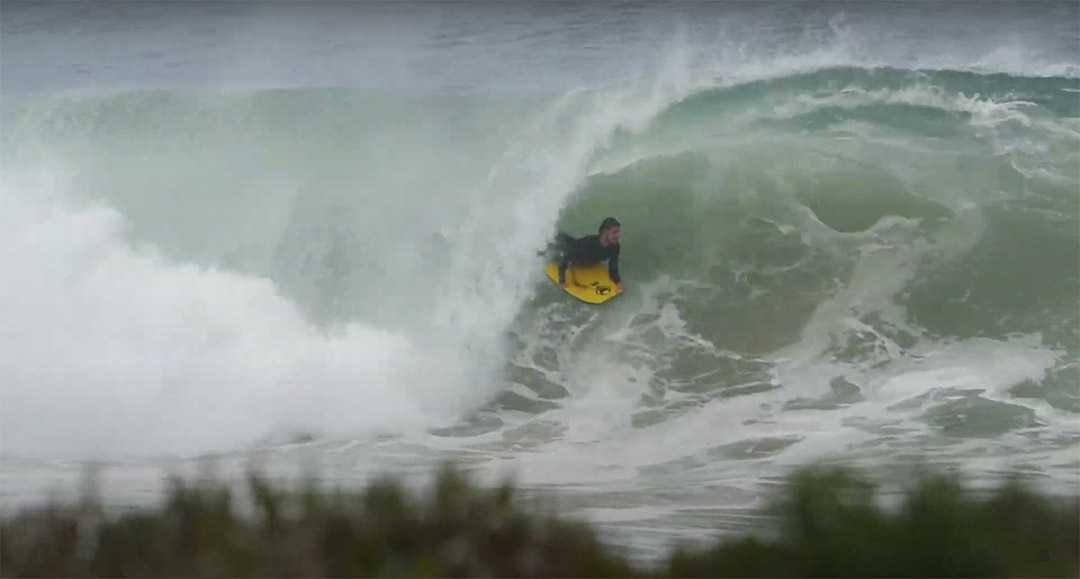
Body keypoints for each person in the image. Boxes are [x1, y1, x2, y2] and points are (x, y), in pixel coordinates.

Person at [555, 217, 623, 293]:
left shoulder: (614, 247)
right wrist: (562, 280)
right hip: (568, 250)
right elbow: (565, 257)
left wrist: (617, 282)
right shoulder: (588, 243)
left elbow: (613, 266)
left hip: (581, 257)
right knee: (552, 249)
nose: (617, 235)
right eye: (614, 232)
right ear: (605, 232)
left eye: (618, 232)